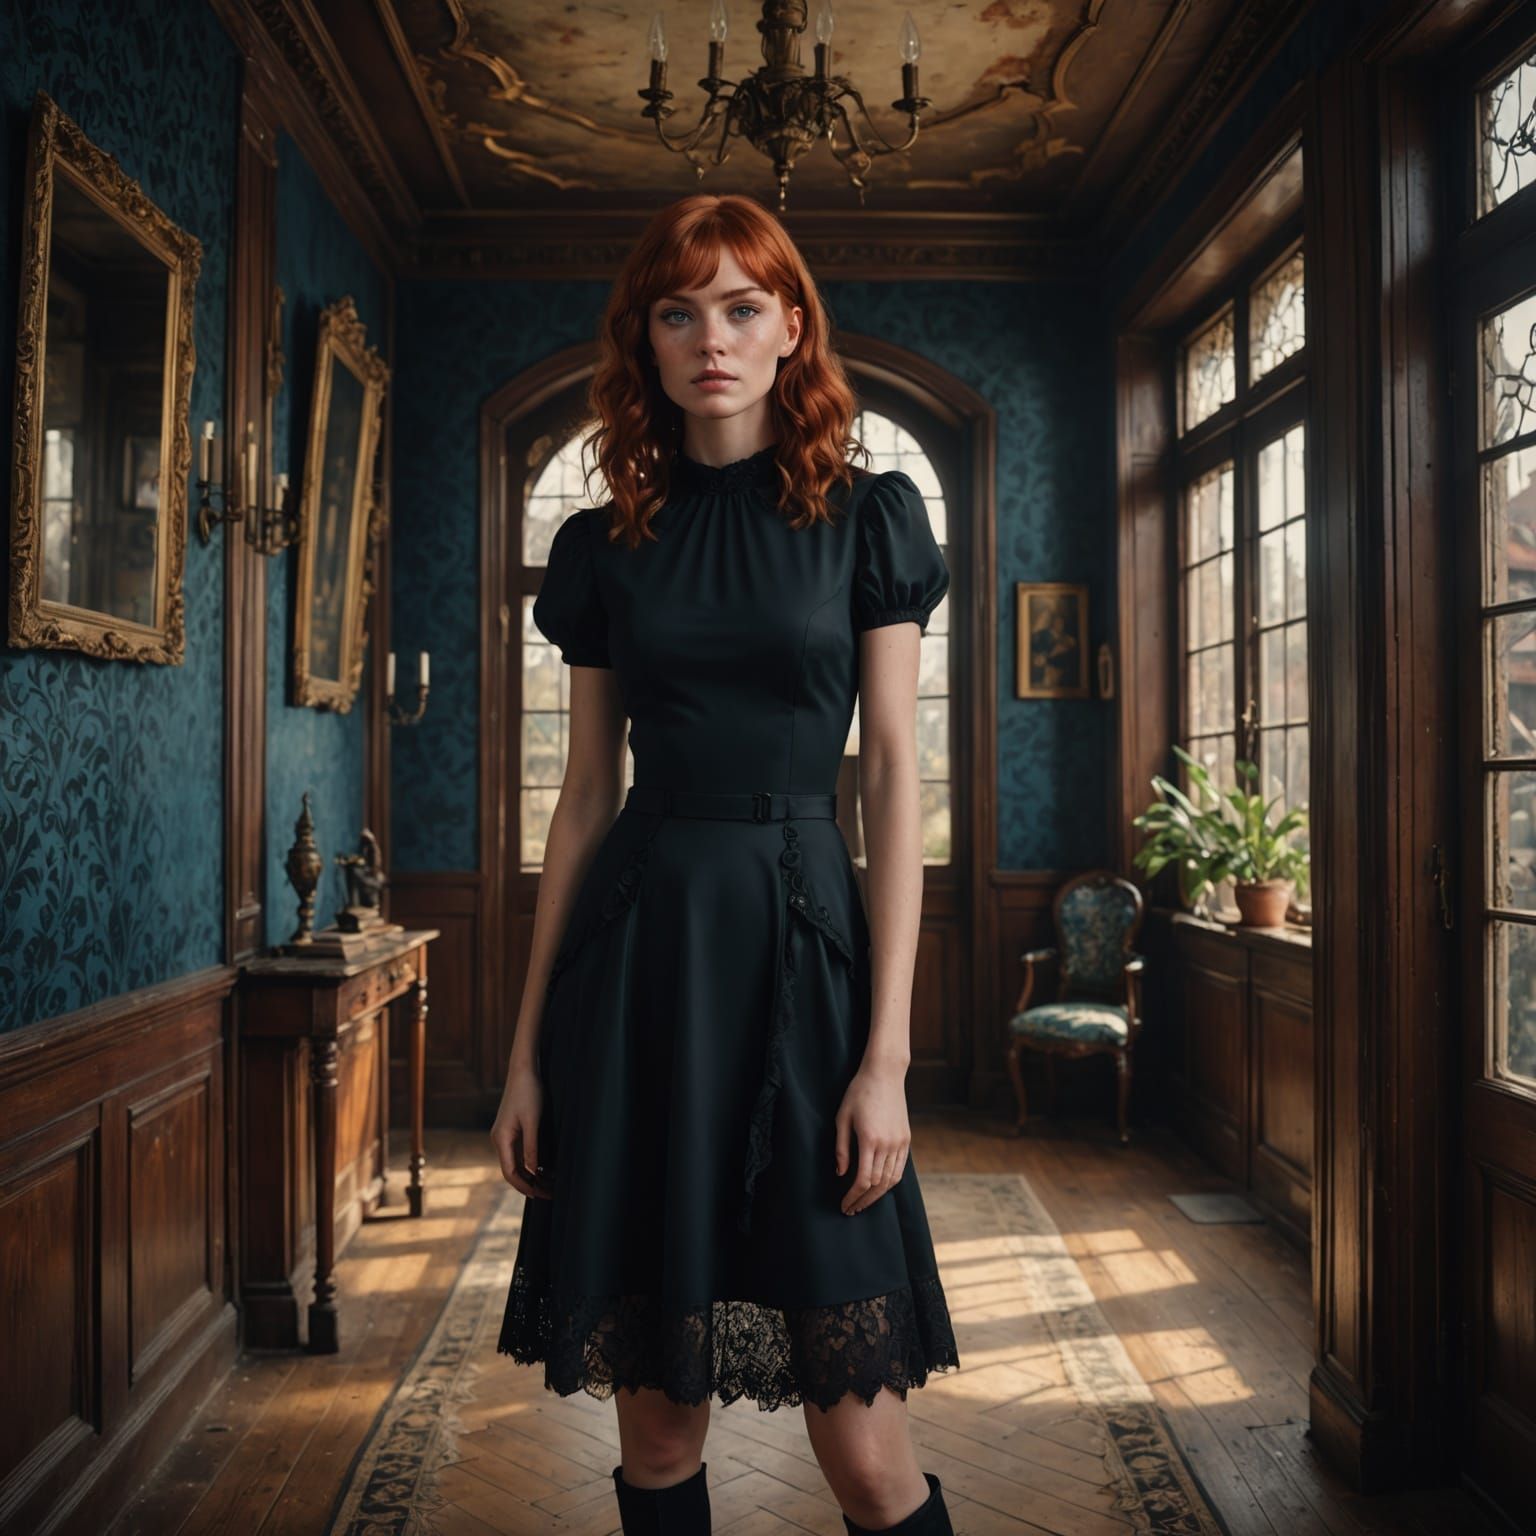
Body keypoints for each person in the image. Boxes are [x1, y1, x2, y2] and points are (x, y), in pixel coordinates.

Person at [490, 192, 960, 1536]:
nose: (713, 337)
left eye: (743, 306)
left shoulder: (871, 518)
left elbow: (887, 772)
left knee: (868, 1457)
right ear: (643, 339)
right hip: (645, 967)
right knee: (658, 1432)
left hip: (810, 962)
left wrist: (888, 1057)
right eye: (680, 310)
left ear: (790, 326)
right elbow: (584, 797)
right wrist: (528, 1053)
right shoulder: (604, 548)